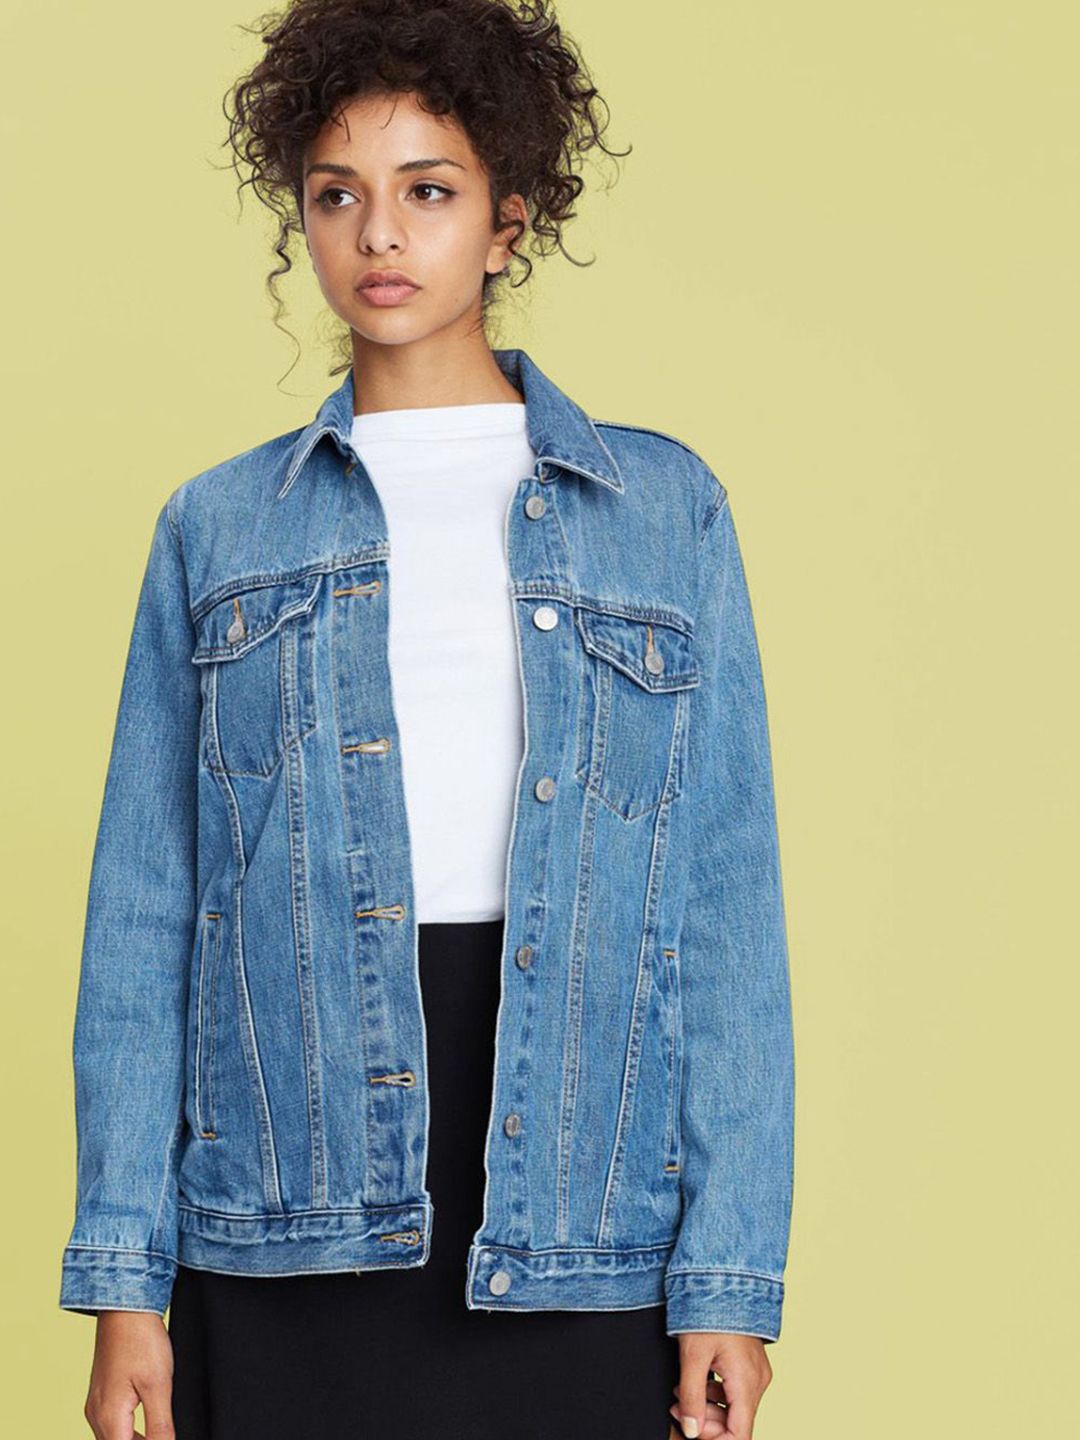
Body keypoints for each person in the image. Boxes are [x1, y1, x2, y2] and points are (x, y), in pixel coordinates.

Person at [59, 2, 795, 1437]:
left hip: (583, 1199)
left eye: (430, 191)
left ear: (510, 220)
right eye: (338, 195)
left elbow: (723, 908)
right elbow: (146, 916)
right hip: (285, 1196)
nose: (380, 235)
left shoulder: (662, 512)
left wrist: (728, 1278)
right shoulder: (218, 526)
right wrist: (123, 1283)